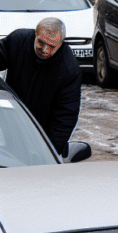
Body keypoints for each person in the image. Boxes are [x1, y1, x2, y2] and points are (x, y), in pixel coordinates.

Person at [0, 18, 81, 156]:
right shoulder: (18, 41)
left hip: (43, 134)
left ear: (60, 43)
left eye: (51, 46)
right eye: (41, 43)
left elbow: (65, 117)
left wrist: (50, 152)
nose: (44, 50)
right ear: (35, 35)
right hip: (13, 123)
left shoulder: (68, 69)